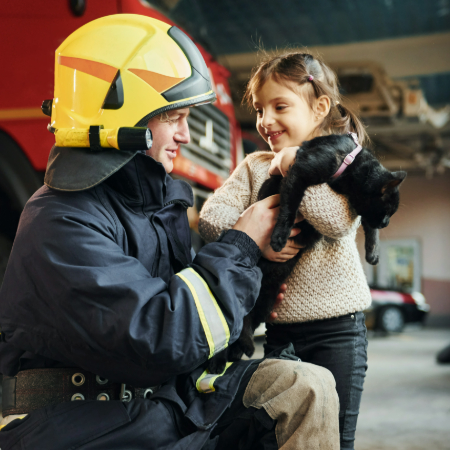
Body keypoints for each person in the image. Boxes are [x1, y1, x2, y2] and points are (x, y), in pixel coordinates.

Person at [0, 16, 340, 449]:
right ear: (124, 118)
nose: (184, 134)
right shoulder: (60, 222)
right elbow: (167, 337)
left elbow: (209, 335)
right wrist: (241, 245)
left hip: (160, 404)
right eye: (174, 117)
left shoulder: (156, 205)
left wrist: (261, 261)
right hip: (86, 424)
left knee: (303, 388)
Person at [199, 51, 371, 450]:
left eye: (280, 106)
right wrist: (256, 237)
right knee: (285, 434)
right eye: (260, 109)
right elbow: (211, 217)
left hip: (337, 333)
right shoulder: (255, 165)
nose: (265, 120)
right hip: (279, 331)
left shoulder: (343, 167)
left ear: (319, 107)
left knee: (333, 438)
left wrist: (297, 166)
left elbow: (337, 222)